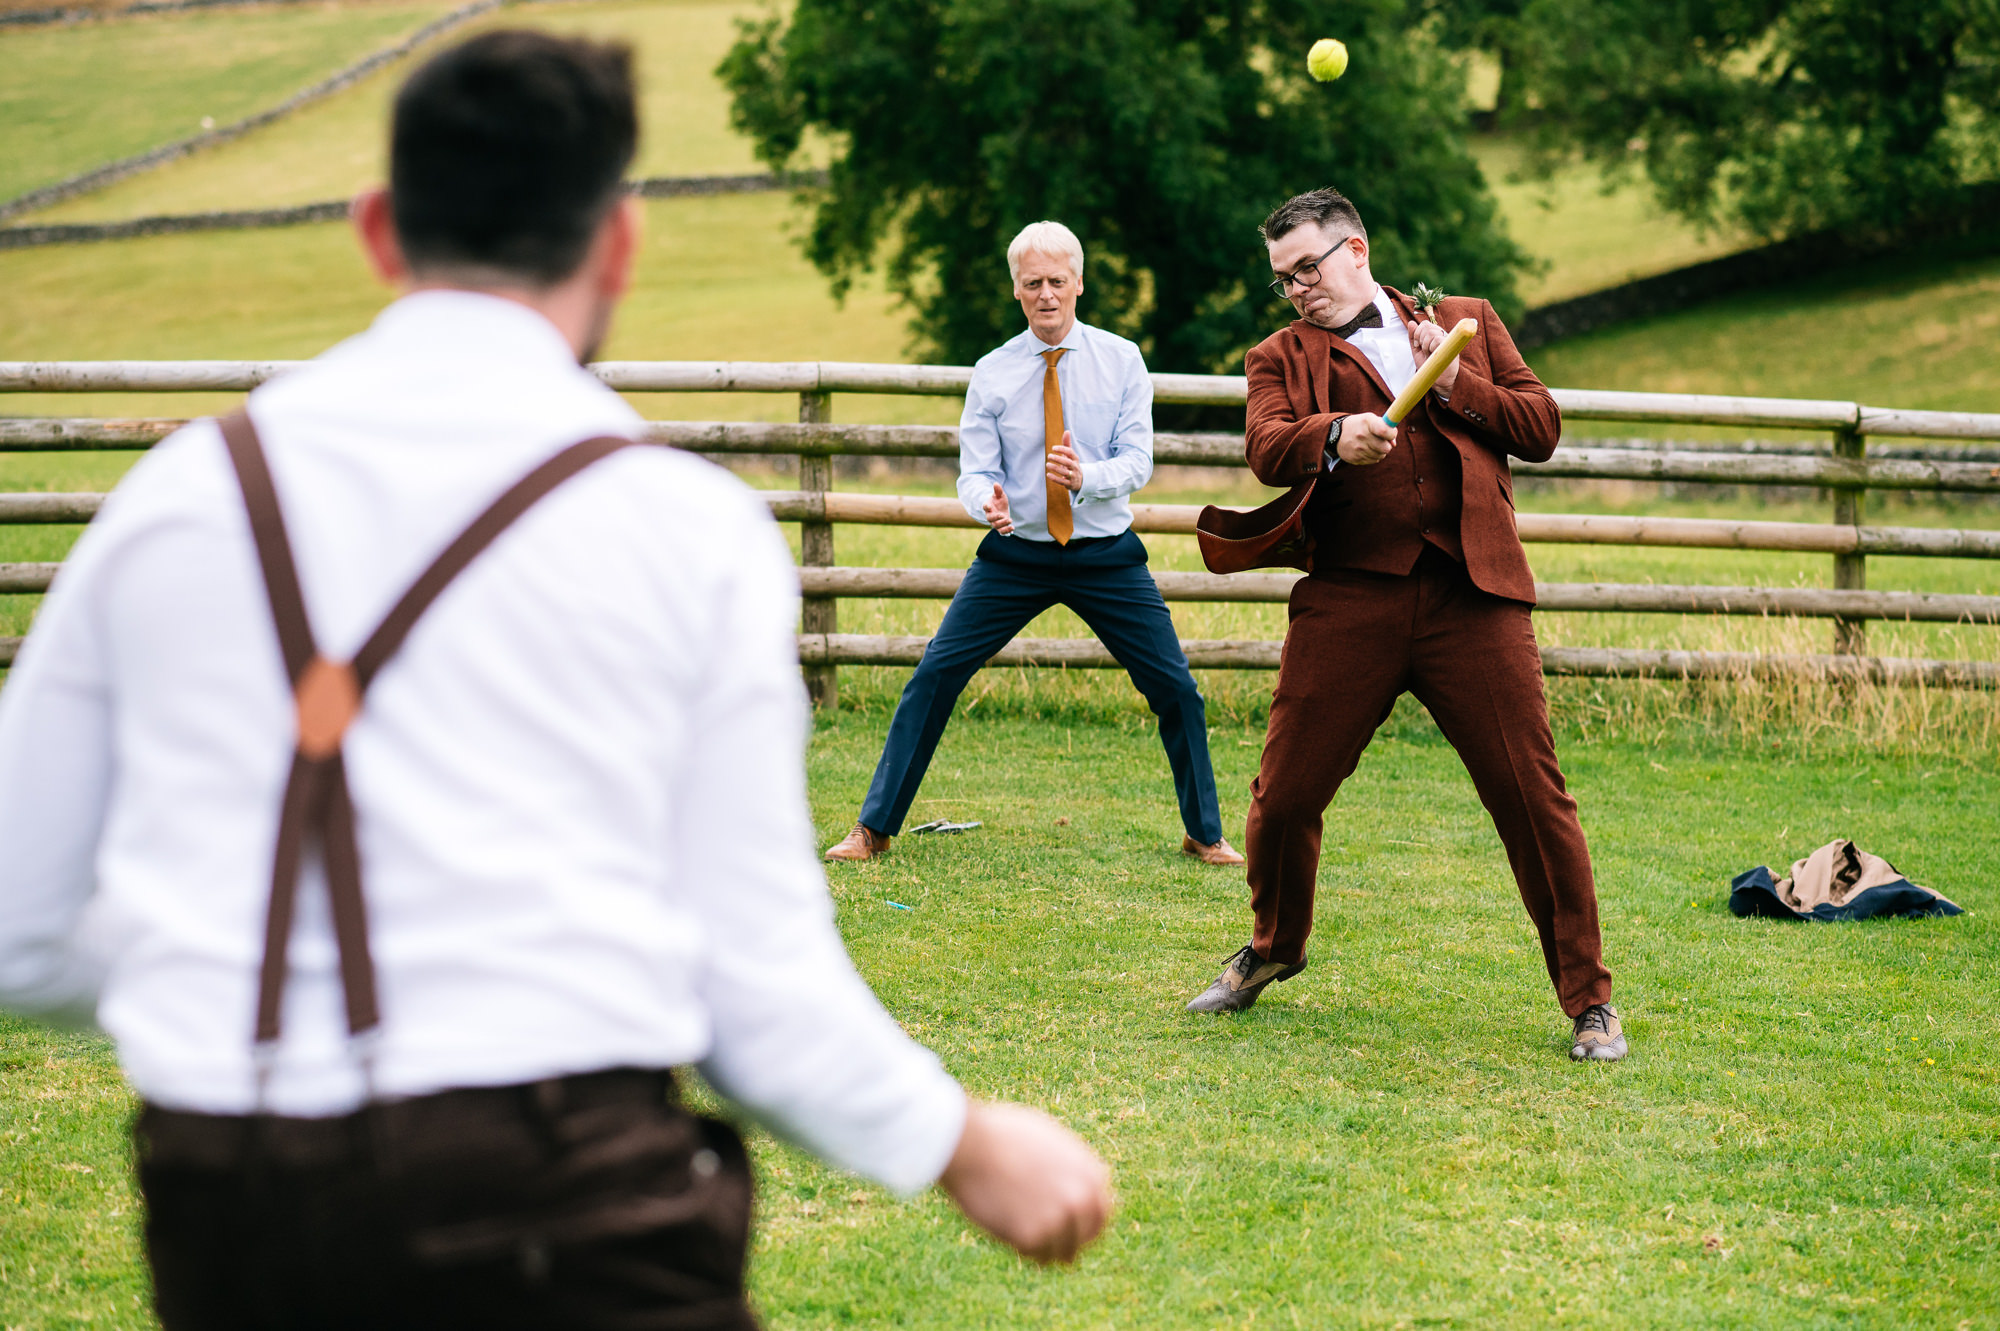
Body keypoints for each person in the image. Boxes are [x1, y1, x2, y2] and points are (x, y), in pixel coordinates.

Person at [0, 32, 1111, 1329]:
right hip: (566, 1198)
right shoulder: (687, 530)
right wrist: (962, 1140)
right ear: (620, 242)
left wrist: (245, 963)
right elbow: (749, 975)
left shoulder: (178, 502)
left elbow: (19, 921)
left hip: (239, 1204)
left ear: (377, 229)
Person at [1183, 187, 1626, 1065]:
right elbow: (1268, 444)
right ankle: (1274, 948)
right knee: (1283, 798)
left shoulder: (1466, 321)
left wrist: (1457, 380)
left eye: (1308, 268)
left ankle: (1591, 1002)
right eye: (1284, 279)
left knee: (1533, 801)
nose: (1298, 289)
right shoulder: (1278, 355)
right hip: (1352, 595)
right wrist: (1335, 434)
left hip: (1475, 596)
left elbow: (1539, 427)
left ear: (1357, 250)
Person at [824, 222, 1243, 868]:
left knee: (1177, 689)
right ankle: (873, 829)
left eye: (1056, 281)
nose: (1046, 294)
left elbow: (1137, 459)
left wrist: (1087, 478)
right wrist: (984, 501)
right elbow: (973, 470)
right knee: (935, 674)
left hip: (1105, 553)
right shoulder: (992, 373)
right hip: (1015, 555)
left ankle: (1204, 832)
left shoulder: (1121, 359)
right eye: (1032, 284)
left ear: (1079, 283)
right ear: (1016, 292)